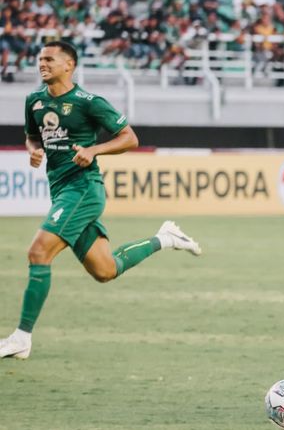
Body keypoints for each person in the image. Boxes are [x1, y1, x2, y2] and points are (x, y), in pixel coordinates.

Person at [0, 41, 202, 360]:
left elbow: (129, 138)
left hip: (84, 189)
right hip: (60, 190)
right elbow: (32, 135)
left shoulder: (88, 102)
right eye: (40, 59)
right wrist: (32, 150)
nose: (43, 64)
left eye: (50, 59)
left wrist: (94, 150)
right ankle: (165, 239)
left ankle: (22, 337)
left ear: (69, 65)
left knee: (38, 252)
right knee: (105, 270)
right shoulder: (34, 101)